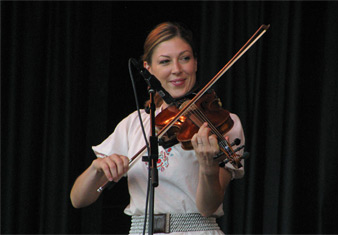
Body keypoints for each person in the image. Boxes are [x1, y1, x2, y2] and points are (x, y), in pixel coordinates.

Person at [70, 22, 245, 234]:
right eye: (165, 61)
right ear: (148, 69)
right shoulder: (134, 124)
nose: (177, 69)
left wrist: (208, 167)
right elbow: (78, 199)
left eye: (185, 58)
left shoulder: (223, 122)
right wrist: (96, 168)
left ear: (196, 63)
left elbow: (208, 208)